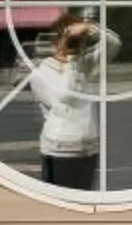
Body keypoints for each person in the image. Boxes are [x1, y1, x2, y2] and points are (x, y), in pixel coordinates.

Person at [29, 14, 104, 190]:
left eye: (80, 40)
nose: (77, 44)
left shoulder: (84, 64)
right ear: (56, 42)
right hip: (61, 149)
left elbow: (114, 45)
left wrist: (93, 29)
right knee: (63, 207)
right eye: (71, 39)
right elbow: (66, 96)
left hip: (88, 147)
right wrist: (70, 58)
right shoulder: (41, 74)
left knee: (85, 203)